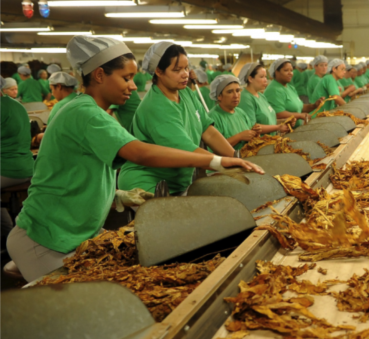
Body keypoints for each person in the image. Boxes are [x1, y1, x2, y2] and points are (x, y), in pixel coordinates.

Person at [6, 36, 261, 281]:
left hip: (71, 233)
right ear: (98, 75)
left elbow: (76, 173)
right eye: (126, 78)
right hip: (46, 237)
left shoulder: (94, 112)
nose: (133, 85)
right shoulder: (85, 113)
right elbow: (140, 152)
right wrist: (216, 161)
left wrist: (116, 196)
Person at [118, 41, 238, 195]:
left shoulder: (185, 93)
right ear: (159, 72)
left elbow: (208, 131)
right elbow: (184, 150)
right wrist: (222, 163)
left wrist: (234, 157)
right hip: (147, 182)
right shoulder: (156, 106)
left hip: (177, 180)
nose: (185, 74)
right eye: (177, 70)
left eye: (186, 68)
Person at [0, 75, 34, 253]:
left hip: (7, 169)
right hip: (27, 166)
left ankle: (10, 238)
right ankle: (8, 236)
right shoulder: (16, 105)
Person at [208, 75, 281, 150]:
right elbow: (215, 147)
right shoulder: (213, 117)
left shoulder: (240, 112)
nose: (236, 95)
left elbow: (250, 138)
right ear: (219, 96)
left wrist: (255, 132)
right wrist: (239, 137)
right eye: (230, 92)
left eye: (238, 90)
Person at [265, 58, 324, 127]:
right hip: (283, 131)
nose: (290, 73)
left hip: (295, 129)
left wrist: (314, 105)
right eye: (286, 70)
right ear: (276, 72)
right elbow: (278, 113)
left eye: (291, 70)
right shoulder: (274, 89)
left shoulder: (290, 87)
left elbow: (300, 107)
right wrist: (300, 115)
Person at [237, 62, 284, 135]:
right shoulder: (245, 98)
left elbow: (269, 121)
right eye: (262, 77)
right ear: (250, 79)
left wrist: (284, 121)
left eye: (265, 77)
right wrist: (278, 127)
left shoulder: (261, 95)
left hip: (271, 140)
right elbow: (252, 127)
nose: (265, 80)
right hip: (260, 143)